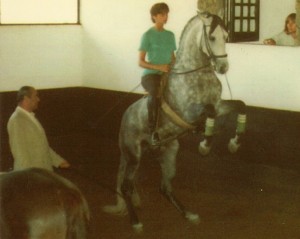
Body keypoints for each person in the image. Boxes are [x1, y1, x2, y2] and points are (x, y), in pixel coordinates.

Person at [7, 86, 70, 171]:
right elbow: (20, 153)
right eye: (35, 96)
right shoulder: (17, 120)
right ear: (26, 98)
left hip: (42, 173)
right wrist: (29, 177)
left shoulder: (29, 117)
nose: (38, 99)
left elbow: (42, 146)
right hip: (32, 175)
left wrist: (59, 161)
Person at [139, 2, 176, 145]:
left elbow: (173, 58)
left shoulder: (170, 35)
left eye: (167, 14)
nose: (165, 17)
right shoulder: (147, 35)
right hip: (151, 75)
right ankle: (152, 130)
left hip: (168, 73)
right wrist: (159, 67)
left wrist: (176, 68)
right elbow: (141, 62)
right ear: (154, 17)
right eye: (162, 14)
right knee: (155, 93)